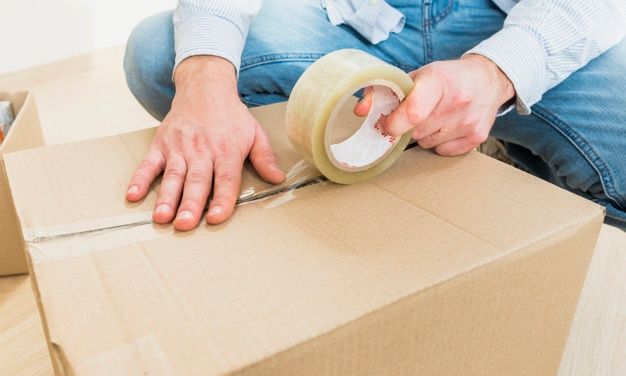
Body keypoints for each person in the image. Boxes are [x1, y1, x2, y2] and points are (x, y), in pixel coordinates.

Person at [123, 0, 626, 231]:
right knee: (159, 55)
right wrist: (205, 78)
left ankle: (493, 130)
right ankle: (420, 120)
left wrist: (499, 72)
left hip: (515, 17)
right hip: (355, 19)